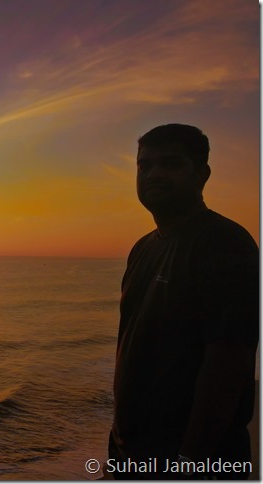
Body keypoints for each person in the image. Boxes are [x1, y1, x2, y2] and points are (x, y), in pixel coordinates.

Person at [108, 124, 259, 479]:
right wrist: (118, 448)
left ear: (201, 174)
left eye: (171, 164)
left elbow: (228, 365)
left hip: (192, 462)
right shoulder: (143, 249)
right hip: (135, 458)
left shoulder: (223, 244)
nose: (155, 174)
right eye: (145, 166)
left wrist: (191, 463)